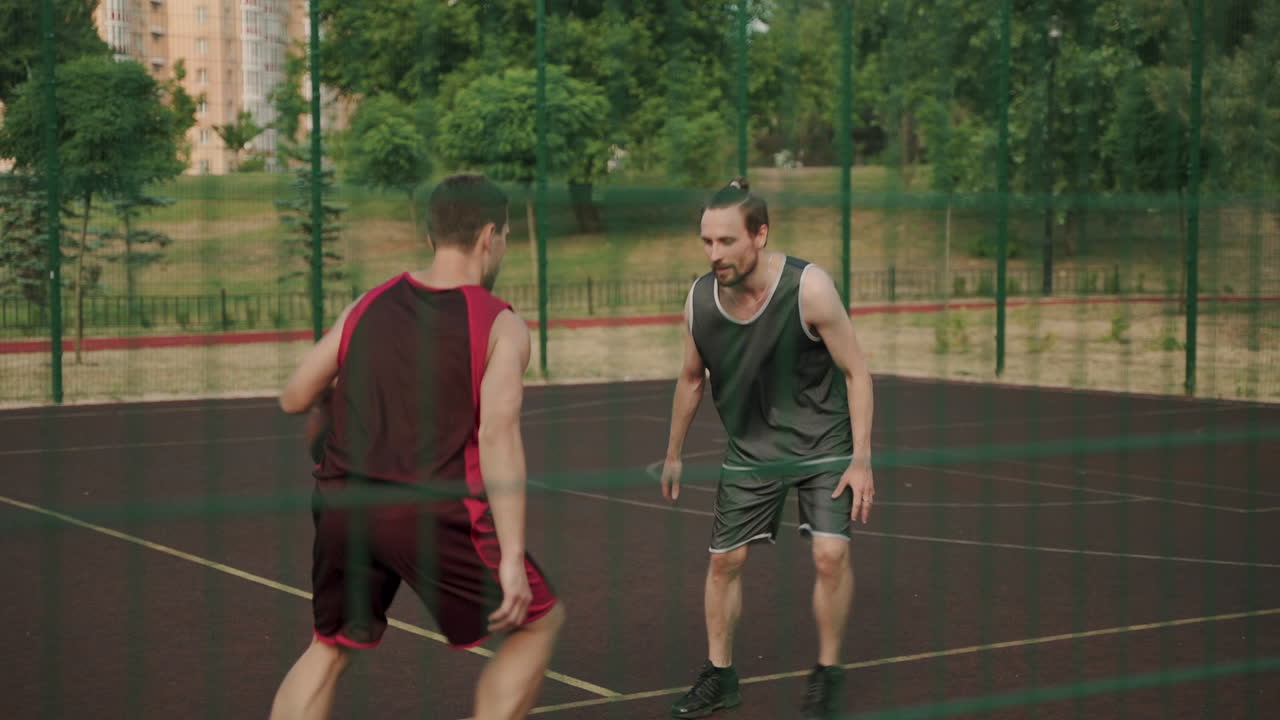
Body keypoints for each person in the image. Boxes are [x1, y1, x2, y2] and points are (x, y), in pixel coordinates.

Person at [268, 173, 565, 720]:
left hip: (343, 503)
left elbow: (294, 397)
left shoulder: (368, 304)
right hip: (431, 513)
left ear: (431, 237)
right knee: (538, 622)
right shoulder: (500, 325)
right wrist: (513, 560)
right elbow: (498, 438)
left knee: (328, 647)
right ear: (490, 237)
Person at [660, 178, 875, 719]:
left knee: (830, 555)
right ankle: (720, 677)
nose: (715, 254)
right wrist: (673, 452)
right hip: (753, 446)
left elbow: (856, 370)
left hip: (823, 440)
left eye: (727, 241)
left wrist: (862, 456)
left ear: (760, 235)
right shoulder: (699, 300)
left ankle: (827, 674)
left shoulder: (809, 288)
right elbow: (690, 379)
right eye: (707, 241)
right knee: (723, 563)